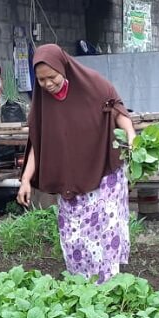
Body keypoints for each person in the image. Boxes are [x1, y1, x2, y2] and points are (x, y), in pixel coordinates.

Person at [17, 44, 137, 283]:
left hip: (103, 173)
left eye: (52, 77)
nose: (48, 84)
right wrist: (25, 180)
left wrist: (132, 138)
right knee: (75, 237)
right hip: (70, 178)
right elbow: (37, 145)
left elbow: (119, 112)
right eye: (41, 81)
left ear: (64, 68)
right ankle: (82, 287)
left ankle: (108, 288)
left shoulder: (94, 84)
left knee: (105, 231)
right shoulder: (42, 104)